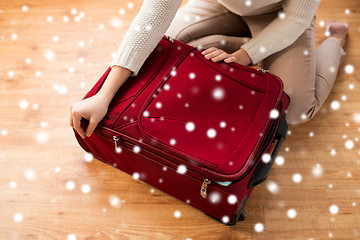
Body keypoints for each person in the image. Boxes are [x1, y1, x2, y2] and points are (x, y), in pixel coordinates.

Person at [70, 0, 349, 138]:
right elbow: (151, 18)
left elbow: (297, 18)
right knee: (165, 45)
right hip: (222, 4)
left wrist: (244, 56)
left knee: (296, 108)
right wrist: (104, 95)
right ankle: (238, 43)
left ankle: (335, 41)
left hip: (282, 14)